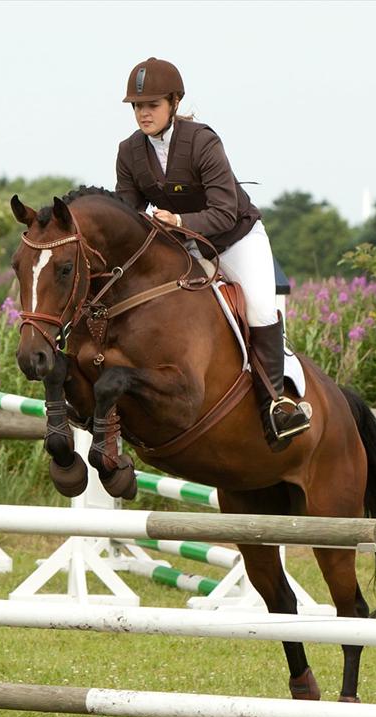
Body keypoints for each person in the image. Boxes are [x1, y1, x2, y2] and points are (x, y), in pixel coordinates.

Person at [113, 57, 310, 447]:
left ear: (173, 102)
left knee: (256, 307)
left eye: (151, 104)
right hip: (184, 246)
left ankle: (276, 403)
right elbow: (127, 215)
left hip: (236, 238)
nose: (143, 113)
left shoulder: (202, 141)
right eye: (137, 106)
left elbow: (223, 211)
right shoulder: (129, 151)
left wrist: (180, 223)